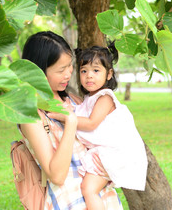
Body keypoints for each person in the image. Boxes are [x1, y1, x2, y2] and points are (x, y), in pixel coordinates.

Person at [18, 31, 123, 210]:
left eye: (70, 66)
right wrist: (71, 123)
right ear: (39, 72)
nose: (68, 74)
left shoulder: (74, 101)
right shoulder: (31, 116)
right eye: (61, 70)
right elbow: (56, 176)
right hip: (69, 201)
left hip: (103, 198)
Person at [51, 43, 148, 210]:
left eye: (96, 71)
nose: (89, 76)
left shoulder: (105, 97)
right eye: (84, 71)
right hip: (106, 152)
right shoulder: (89, 98)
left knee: (88, 190)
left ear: (109, 74)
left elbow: (90, 123)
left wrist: (66, 117)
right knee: (88, 189)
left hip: (114, 153)